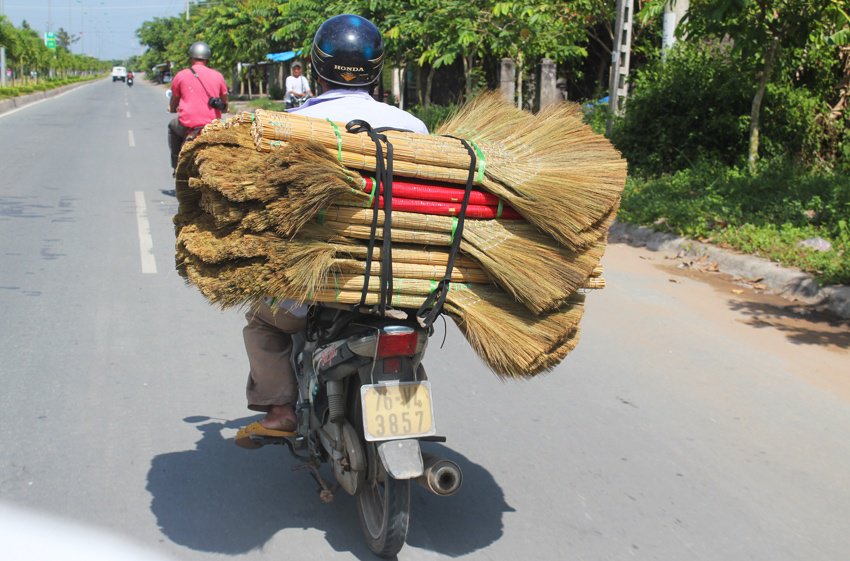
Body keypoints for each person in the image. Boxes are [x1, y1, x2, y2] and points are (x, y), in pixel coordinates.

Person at [236, 14, 427, 447]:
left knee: (261, 325)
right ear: (376, 69)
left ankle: (281, 410)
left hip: (315, 283)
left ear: (316, 70)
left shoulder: (292, 127)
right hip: (404, 277)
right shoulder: (415, 128)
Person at [167, 41, 229, 169]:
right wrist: (224, 108)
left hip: (187, 124)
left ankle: (176, 163)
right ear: (207, 59)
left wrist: (172, 108)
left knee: (172, 126)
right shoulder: (218, 76)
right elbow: (225, 101)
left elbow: (174, 99)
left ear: (191, 57)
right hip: (212, 125)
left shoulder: (181, 75)